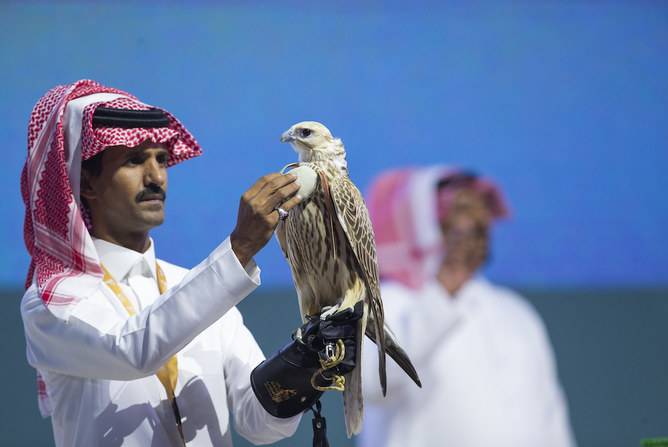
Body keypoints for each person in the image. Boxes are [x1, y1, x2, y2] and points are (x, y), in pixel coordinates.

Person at [20, 79, 357, 446]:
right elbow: (132, 351)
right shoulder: (52, 301)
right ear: (86, 182)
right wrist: (240, 247)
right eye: (134, 160)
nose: (156, 177)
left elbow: (260, 422)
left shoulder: (204, 288)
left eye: (162, 160)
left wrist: (306, 362)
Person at [357, 166, 576, 447]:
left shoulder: (515, 312)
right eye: (460, 208)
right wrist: (447, 284)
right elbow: (373, 387)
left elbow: (551, 419)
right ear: (423, 222)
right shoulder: (381, 303)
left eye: (481, 208)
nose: (477, 221)